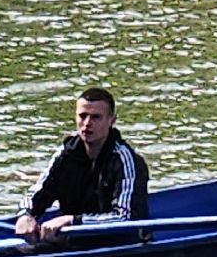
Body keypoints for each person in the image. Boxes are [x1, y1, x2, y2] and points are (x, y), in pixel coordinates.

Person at [14, 87, 150, 245]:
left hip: (120, 244)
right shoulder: (65, 154)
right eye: (83, 116)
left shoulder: (126, 160)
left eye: (96, 117)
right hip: (74, 241)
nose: (87, 123)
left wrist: (73, 221)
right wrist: (25, 214)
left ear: (112, 121)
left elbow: (125, 218)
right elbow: (39, 192)